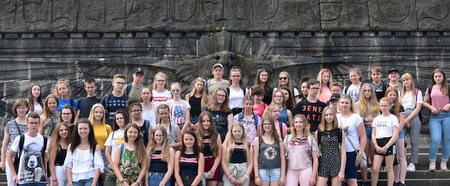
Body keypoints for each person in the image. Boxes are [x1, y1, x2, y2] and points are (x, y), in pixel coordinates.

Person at [7, 112, 48, 186]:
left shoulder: (43, 139)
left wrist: (46, 173)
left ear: (39, 124)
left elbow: (45, 158)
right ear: (27, 124)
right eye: (31, 123)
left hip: (39, 179)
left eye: (36, 123)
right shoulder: (20, 138)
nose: (34, 125)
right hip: (23, 179)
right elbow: (9, 156)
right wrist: (14, 174)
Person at [423, 68, 450, 171]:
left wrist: (448, 105)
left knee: (447, 140)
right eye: (436, 76)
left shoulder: (448, 87)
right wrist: (431, 107)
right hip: (435, 117)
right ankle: (432, 162)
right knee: (435, 139)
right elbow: (425, 102)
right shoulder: (430, 88)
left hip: (447, 115)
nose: (438, 78)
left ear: (443, 77)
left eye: (439, 76)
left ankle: (444, 162)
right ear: (433, 78)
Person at [336, 95, 366, 186]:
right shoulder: (336, 117)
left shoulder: (356, 118)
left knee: (351, 180)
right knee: (339, 179)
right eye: (342, 102)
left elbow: (363, 136)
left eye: (346, 103)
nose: (344, 105)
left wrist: (360, 153)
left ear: (350, 105)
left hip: (351, 151)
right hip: (339, 151)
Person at [64, 118, 104, 186]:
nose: (83, 131)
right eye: (80, 128)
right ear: (77, 130)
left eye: (85, 128)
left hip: (90, 178)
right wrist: (70, 184)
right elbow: (68, 166)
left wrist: (93, 184)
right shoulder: (71, 146)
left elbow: (98, 167)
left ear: (89, 130)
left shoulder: (95, 146)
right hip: (75, 179)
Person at [354, 84, 380, 185]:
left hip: (374, 130)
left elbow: (377, 120)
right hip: (363, 131)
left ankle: (374, 179)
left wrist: (365, 119)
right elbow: (358, 121)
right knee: (364, 156)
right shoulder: (357, 104)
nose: (367, 92)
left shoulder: (377, 104)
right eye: (365, 91)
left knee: (373, 156)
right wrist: (368, 120)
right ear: (362, 92)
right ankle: (365, 180)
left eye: (369, 90)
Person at [371, 97, 399, 186]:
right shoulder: (376, 119)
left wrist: (386, 146)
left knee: (389, 168)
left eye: (386, 106)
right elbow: (373, 134)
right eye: (382, 106)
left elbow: (395, 135)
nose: (383, 108)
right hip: (378, 143)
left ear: (390, 106)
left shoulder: (393, 118)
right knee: (375, 169)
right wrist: (376, 146)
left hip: (389, 142)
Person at [1, 99, 30, 186]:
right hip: (11, 158)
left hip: (26, 158)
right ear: (15, 109)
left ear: (27, 109)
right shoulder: (10, 124)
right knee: (11, 183)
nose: (21, 110)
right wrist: (3, 160)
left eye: (23, 108)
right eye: (19, 108)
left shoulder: (31, 123)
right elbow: (5, 143)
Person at [284, 114, 319, 186]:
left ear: (304, 124)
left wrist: (313, 176)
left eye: (300, 122)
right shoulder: (288, 138)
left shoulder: (310, 139)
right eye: (296, 122)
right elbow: (284, 158)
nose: (298, 124)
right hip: (291, 170)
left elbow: (315, 159)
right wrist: (283, 174)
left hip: (306, 169)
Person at [315, 107, 346, 186]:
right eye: (326, 115)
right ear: (323, 117)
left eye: (331, 114)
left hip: (336, 162)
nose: (328, 117)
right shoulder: (318, 132)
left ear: (334, 116)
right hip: (323, 163)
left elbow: (343, 152)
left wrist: (342, 171)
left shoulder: (339, 131)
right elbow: (316, 153)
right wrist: (315, 170)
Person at [254, 115, 286, 186]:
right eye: (265, 124)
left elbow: (283, 158)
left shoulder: (278, 139)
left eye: (269, 124)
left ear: (272, 125)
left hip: (276, 170)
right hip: (262, 170)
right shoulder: (258, 140)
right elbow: (255, 159)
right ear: (262, 126)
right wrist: (256, 176)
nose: (267, 126)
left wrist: (283, 175)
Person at [400, 73, 423, 172]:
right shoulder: (400, 93)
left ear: (411, 80)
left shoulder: (417, 92)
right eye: (404, 80)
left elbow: (418, 108)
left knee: (414, 141)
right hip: (402, 116)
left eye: (407, 80)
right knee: (401, 140)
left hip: (413, 116)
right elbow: (399, 107)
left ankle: (413, 163)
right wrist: (403, 120)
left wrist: (408, 119)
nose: (406, 82)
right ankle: (402, 161)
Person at [385, 87, 406, 185]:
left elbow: (402, 122)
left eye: (394, 95)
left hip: (398, 133)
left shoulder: (400, 106)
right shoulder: (385, 106)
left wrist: (397, 132)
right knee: (393, 157)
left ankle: (402, 180)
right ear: (387, 95)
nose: (392, 97)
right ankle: (396, 179)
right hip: (388, 133)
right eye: (390, 95)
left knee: (401, 156)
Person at [104, 110, 129, 186]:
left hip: (126, 168)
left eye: (121, 118)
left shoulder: (131, 132)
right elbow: (107, 152)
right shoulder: (113, 134)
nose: (119, 120)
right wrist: (112, 164)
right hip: (112, 169)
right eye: (117, 119)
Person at [197, 111, 222, 186]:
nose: (206, 123)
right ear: (200, 122)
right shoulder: (196, 135)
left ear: (211, 122)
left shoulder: (216, 135)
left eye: (208, 121)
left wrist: (212, 170)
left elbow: (219, 154)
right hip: (200, 166)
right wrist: (202, 172)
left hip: (213, 166)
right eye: (203, 121)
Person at [88, 103, 112, 180]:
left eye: (101, 112)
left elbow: (111, 143)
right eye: (96, 112)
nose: (98, 114)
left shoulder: (107, 127)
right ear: (92, 113)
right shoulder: (88, 127)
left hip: (104, 153)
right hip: (91, 152)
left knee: (105, 177)